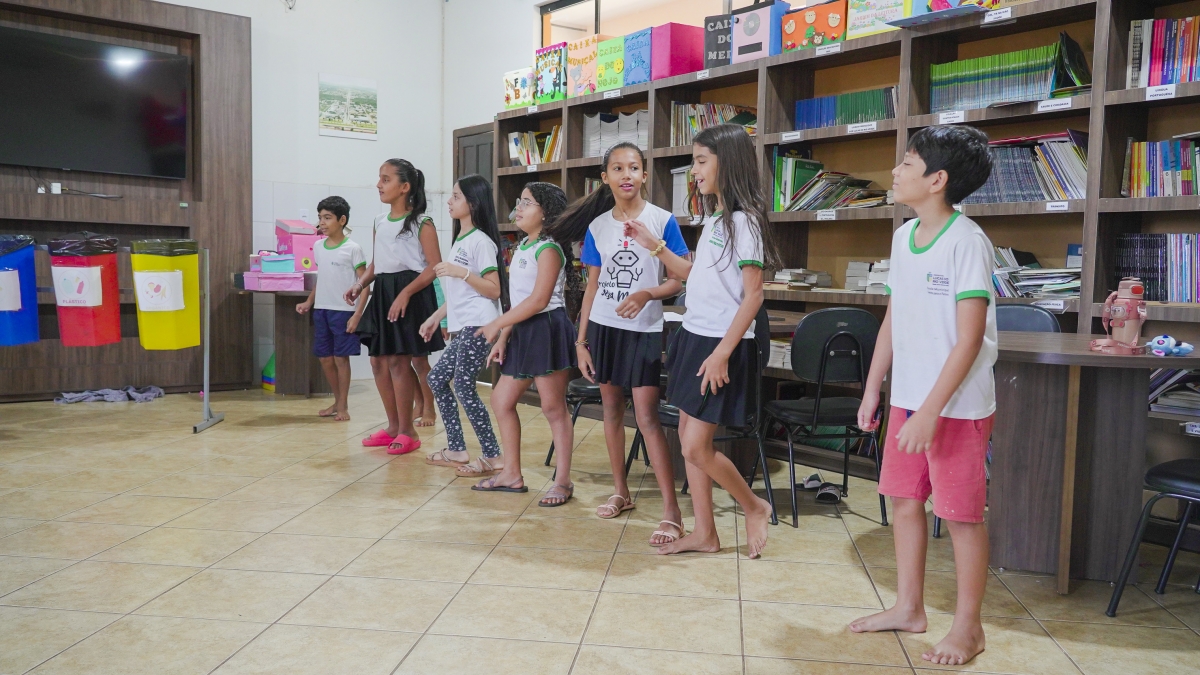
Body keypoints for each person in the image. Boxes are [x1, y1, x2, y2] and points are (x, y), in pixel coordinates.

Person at [848, 125, 996, 667]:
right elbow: (893, 317)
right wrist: (873, 388)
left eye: (907, 163)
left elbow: (969, 339)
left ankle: (969, 628)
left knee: (960, 516)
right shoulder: (903, 236)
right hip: (908, 400)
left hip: (955, 407)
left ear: (937, 180)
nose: (894, 171)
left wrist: (931, 410)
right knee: (905, 502)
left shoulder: (967, 241)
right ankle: (909, 608)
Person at [624, 123, 779, 558]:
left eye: (700, 161)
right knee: (690, 441)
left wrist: (723, 353)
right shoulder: (715, 218)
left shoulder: (746, 222)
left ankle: (754, 505)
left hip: (721, 344)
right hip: (695, 335)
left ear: (727, 162)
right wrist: (655, 246)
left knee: (694, 446)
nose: (694, 171)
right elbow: (696, 275)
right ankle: (705, 533)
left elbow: (754, 296)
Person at [547, 142, 689, 545]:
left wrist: (647, 294)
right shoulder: (597, 227)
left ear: (644, 175)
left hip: (644, 330)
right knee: (610, 410)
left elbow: (678, 279)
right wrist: (581, 341)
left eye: (634, 167)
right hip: (604, 329)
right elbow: (592, 286)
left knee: (646, 417)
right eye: (618, 168)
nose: (627, 175)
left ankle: (671, 511)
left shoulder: (662, 220)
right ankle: (621, 493)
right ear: (605, 177)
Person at [472, 182, 577, 506]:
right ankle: (511, 474)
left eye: (527, 203)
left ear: (545, 213)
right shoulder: (522, 246)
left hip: (547, 328)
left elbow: (539, 300)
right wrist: (504, 336)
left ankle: (563, 481)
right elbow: (518, 301)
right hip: (523, 329)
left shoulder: (549, 249)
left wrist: (497, 324)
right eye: (519, 201)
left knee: (553, 408)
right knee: (501, 400)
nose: (518, 208)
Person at [345, 158, 445, 455]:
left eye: (386, 179)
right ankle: (392, 426)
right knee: (378, 361)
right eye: (380, 178)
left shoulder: (422, 222)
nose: (379, 184)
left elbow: (434, 266)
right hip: (384, 292)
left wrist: (406, 294)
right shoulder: (379, 221)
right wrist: (360, 284)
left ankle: (407, 431)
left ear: (405, 187)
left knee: (400, 362)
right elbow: (378, 263)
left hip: (411, 293)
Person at [420, 174, 506, 476]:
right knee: (436, 380)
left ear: (473, 202)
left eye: (456, 196)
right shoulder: (462, 239)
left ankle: (493, 455)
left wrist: (462, 272)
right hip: (465, 324)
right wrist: (436, 317)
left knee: (464, 387)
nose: (449, 201)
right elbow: (461, 293)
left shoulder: (481, 241)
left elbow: (493, 289)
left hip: (479, 324)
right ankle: (456, 449)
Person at [296, 195, 366, 422]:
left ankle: (343, 405)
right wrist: (309, 302)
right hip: (321, 310)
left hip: (344, 311)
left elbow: (365, 284)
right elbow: (323, 278)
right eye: (320, 218)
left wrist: (357, 314)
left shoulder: (353, 248)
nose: (322, 223)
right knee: (325, 358)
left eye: (327, 218)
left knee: (340, 358)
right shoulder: (318, 246)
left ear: (342, 220)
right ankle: (337, 401)